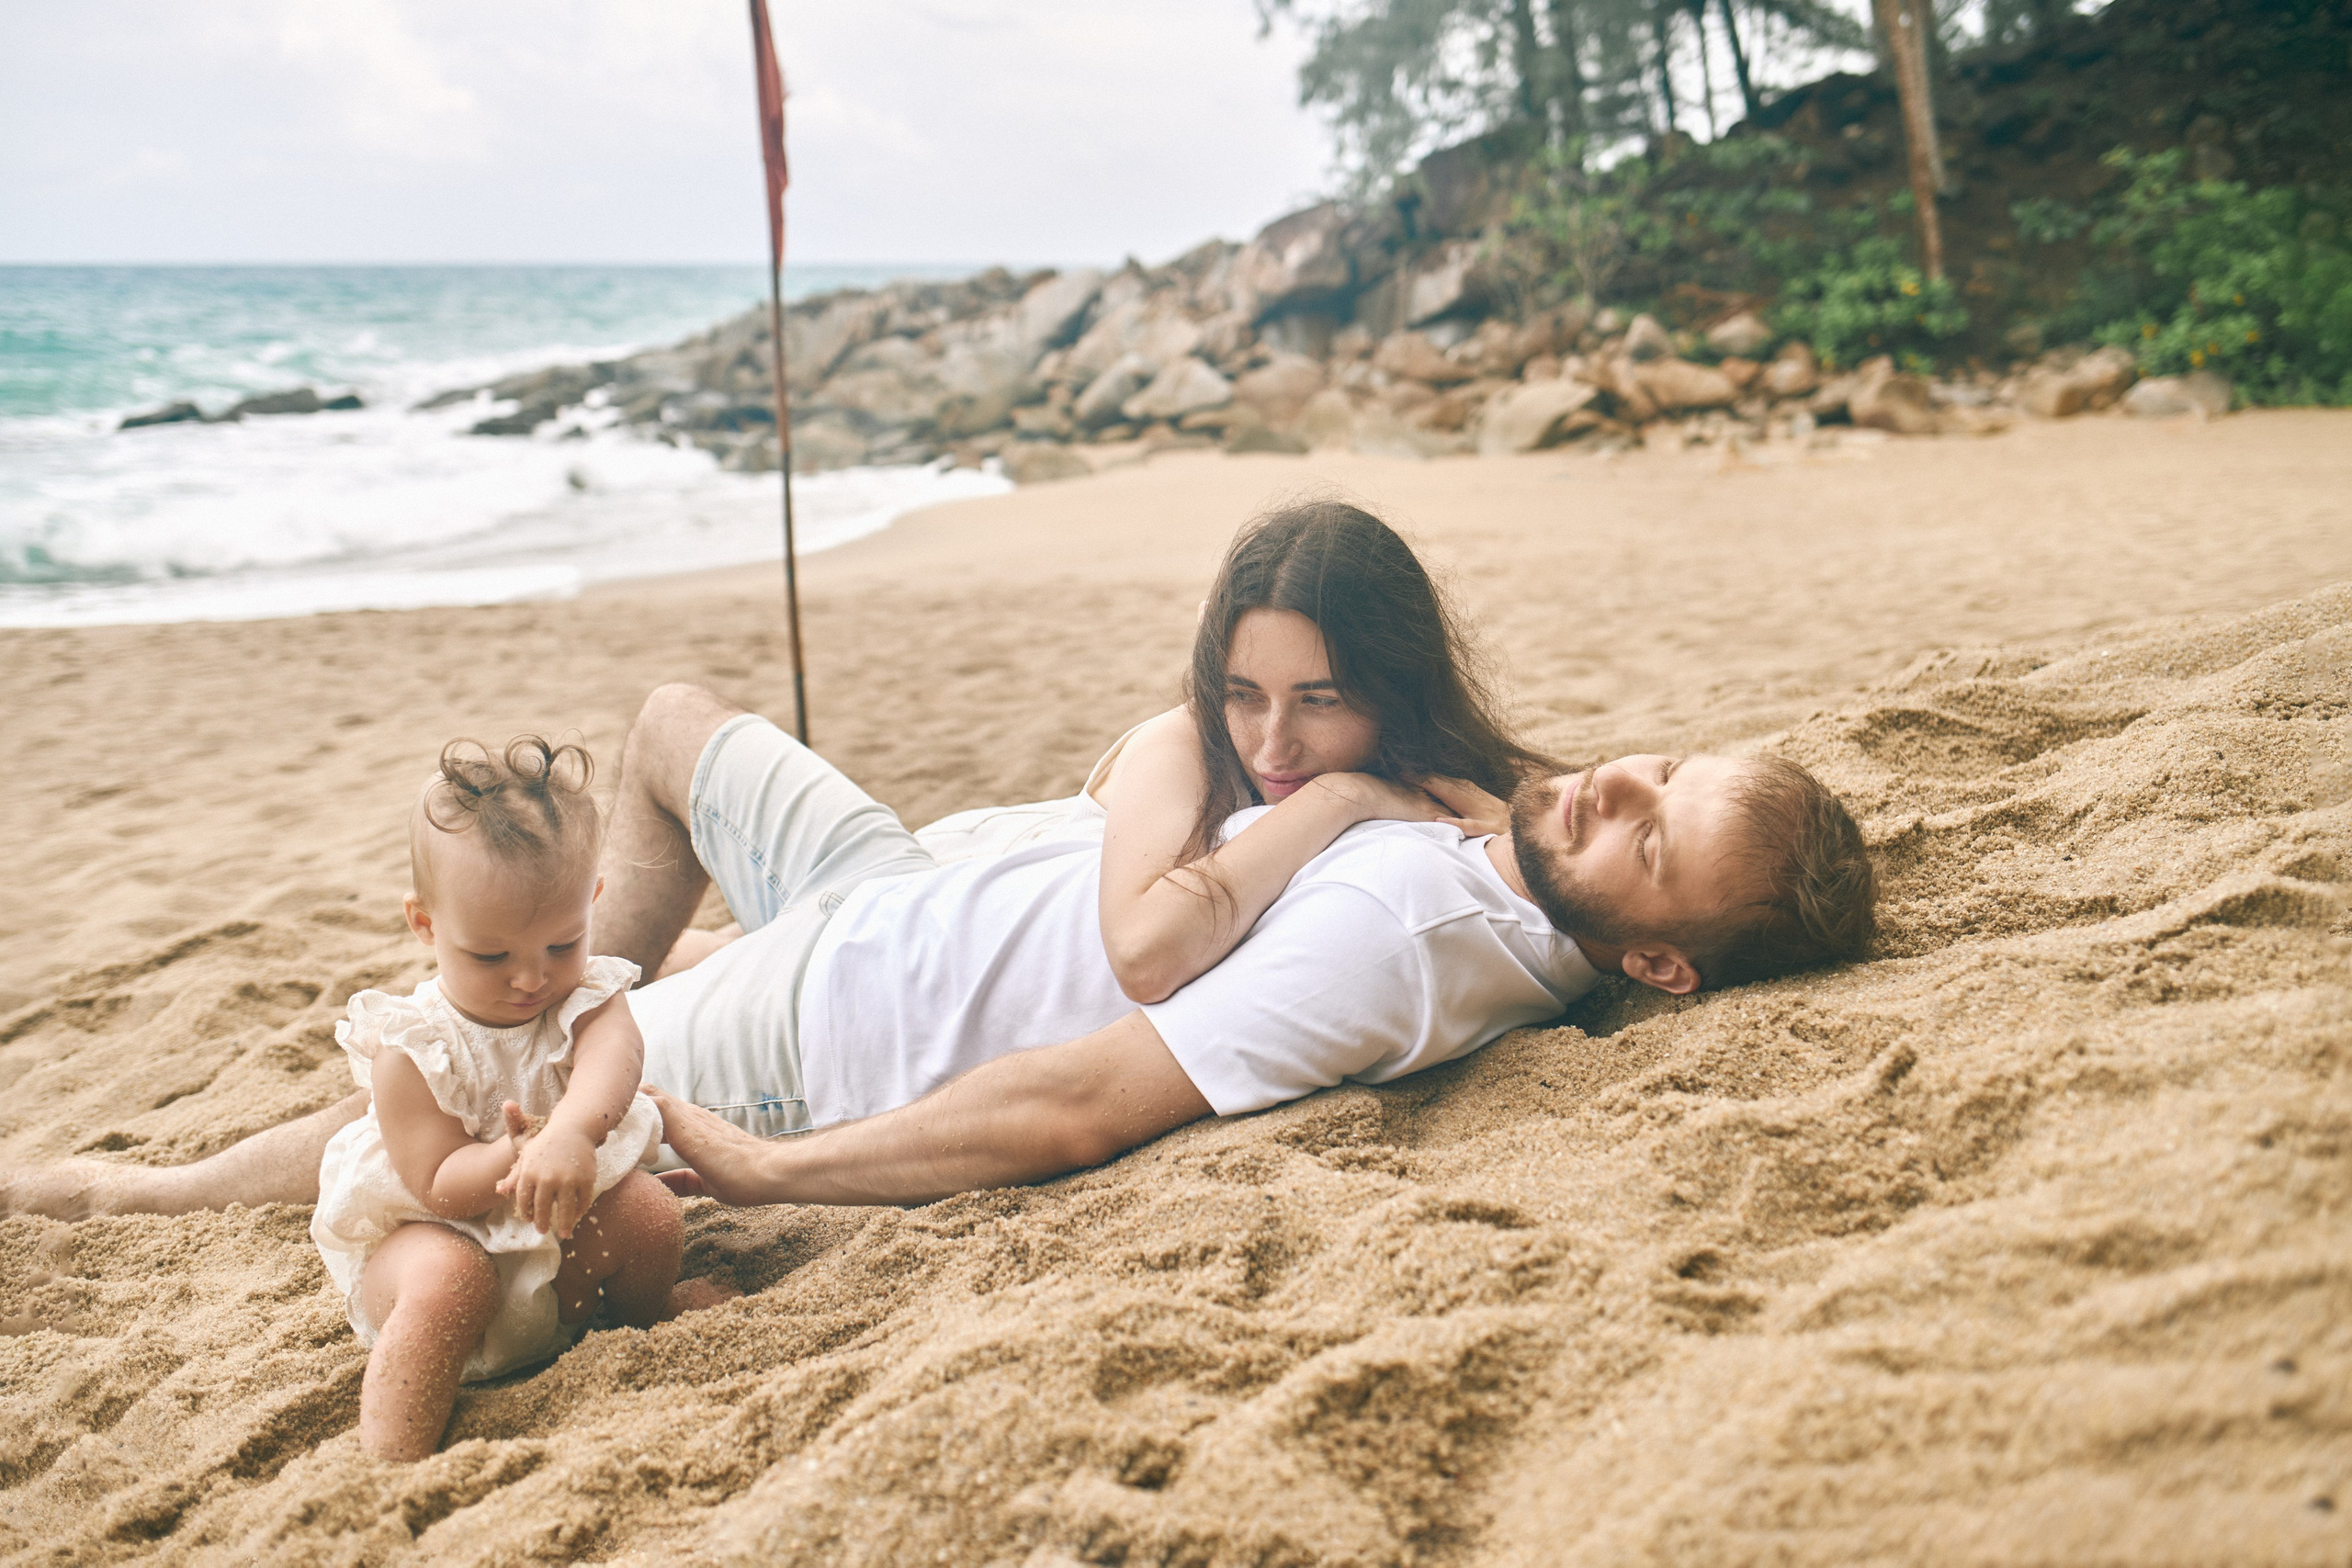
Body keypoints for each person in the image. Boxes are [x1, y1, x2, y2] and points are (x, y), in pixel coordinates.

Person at [311, 737, 699, 1461]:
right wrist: (515, 1154)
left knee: (649, 1214)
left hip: (556, 1269)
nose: (531, 978)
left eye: (562, 944)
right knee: (447, 1278)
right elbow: (435, 1182)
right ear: (425, 924)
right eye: (492, 956)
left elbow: (617, 1060)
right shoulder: (411, 1047)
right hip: (441, 1239)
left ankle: (639, 1325)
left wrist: (573, 1131)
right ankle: (390, 1457)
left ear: (593, 901)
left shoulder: (586, 998)